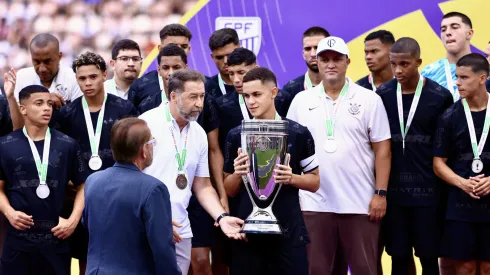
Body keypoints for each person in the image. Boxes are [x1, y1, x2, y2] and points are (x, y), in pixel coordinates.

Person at [287, 36, 391, 275]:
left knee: (365, 269)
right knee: (318, 270)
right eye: (325, 59)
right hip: (314, 203)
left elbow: (383, 150)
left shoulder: (369, 99)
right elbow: (290, 150)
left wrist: (380, 193)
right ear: (318, 63)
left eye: (336, 59)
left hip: (359, 202)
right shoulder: (302, 101)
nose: (330, 64)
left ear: (347, 62)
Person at [139, 69, 245, 275]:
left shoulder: (198, 133)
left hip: (182, 228)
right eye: (193, 97)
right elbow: (131, 180)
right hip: (146, 226)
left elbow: (203, 186)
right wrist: (154, 220)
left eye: (202, 96)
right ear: (173, 96)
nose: (199, 103)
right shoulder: (146, 124)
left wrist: (221, 217)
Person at [223, 67, 320, 275]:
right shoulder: (236, 135)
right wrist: (238, 174)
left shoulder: (298, 133)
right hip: (247, 231)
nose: (251, 101)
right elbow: (229, 189)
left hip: (289, 230)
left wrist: (291, 178)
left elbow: (314, 182)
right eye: (246, 96)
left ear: (274, 93)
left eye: (257, 94)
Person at [50, 51, 138, 274]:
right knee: (84, 256)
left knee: (120, 256)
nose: (87, 83)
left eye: (93, 77)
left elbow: (135, 151)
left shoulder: (124, 109)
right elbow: (58, 156)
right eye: (82, 78)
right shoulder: (68, 113)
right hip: (80, 197)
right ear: (76, 79)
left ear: (104, 75)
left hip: (117, 196)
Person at [376, 37, 453, 275]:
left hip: (429, 194)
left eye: (405, 64)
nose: (397, 70)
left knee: (429, 258)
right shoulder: (382, 95)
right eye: (393, 64)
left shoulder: (440, 96)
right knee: (398, 258)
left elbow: (445, 148)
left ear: (418, 62)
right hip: (394, 194)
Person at [0, 85, 88, 275]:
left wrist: (72, 221)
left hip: (56, 240)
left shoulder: (68, 144)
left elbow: (83, 185)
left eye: (49, 103)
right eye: (38, 104)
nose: (46, 108)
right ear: (23, 109)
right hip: (18, 241)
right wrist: (9, 212)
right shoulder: (5, 144)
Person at [83, 117, 181, 275]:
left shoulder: (93, 180)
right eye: (152, 143)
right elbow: (163, 249)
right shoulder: (154, 188)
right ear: (143, 150)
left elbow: (90, 222)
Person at [433, 53, 490, 275]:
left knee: (487, 268)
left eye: (464, 77)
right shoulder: (449, 115)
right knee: (464, 268)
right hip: (459, 207)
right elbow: (438, 163)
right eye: (456, 76)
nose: (457, 82)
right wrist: (462, 183)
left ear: (482, 78)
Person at [128, 23, 193, 107]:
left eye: (183, 46)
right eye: (172, 46)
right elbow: (131, 119)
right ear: (160, 49)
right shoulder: (139, 86)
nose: (178, 50)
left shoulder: (204, 85)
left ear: (189, 49)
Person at [14, 33, 82, 109]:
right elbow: (16, 116)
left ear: (59, 57)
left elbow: (77, 116)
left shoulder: (74, 78)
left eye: (47, 61)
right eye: (37, 62)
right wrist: (46, 99)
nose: (42, 68)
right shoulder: (22, 77)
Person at [421, 12, 474, 102]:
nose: (448, 33)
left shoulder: (484, 69)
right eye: (443, 29)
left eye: (454, 27)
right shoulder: (428, 73)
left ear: (469, 33)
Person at [227, 48, 292, 117]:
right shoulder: (224, 105)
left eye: (241, 73)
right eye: (231, 74)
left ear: (255, 69)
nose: (236, 80)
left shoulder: (282, 98)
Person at [138, 44, 188, 114]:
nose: (171, 73)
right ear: (159, 70)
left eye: (176, 67)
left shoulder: (201, 102)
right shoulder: (146, 106)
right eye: (165, 68)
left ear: (185, 69)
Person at [282, 26, 330, 98]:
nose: (313, 54)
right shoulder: (290, 90)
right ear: (303, 54)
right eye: (308, 49)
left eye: (317, 48)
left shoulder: (346, 87)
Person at [206, 28, 241, 98]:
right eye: (219, 57)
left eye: (230, 55)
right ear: (212, 57)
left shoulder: (260, 84)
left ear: (240, 49)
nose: (225, 61)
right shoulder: (205, 88)